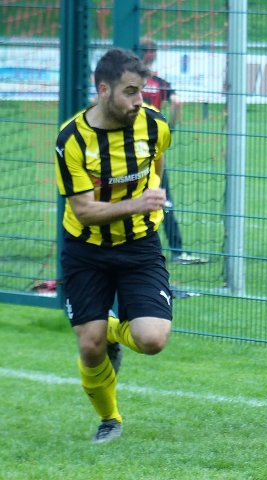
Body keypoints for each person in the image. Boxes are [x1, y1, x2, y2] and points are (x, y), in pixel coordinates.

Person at [55, 48, 174, 443]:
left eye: (141, 91)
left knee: (153, 340)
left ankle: (109, 330)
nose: (139, 100)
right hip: (86, 248)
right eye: (130, 92)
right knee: (90, 347)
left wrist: (147, 203)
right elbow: (84, 211)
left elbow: (156, 165)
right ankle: (110, 419)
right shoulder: (72, 139)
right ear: (103, 90)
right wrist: (137, 203)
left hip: (139, 246)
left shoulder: (154, 125)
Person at [139, 38, 207, 265]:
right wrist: (170, 129)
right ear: (153, 55)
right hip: (153, 146)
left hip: (128, 145)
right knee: (163, 198)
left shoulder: (129, 81)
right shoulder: (158, 82)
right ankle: (177, 250)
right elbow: (177, 103)